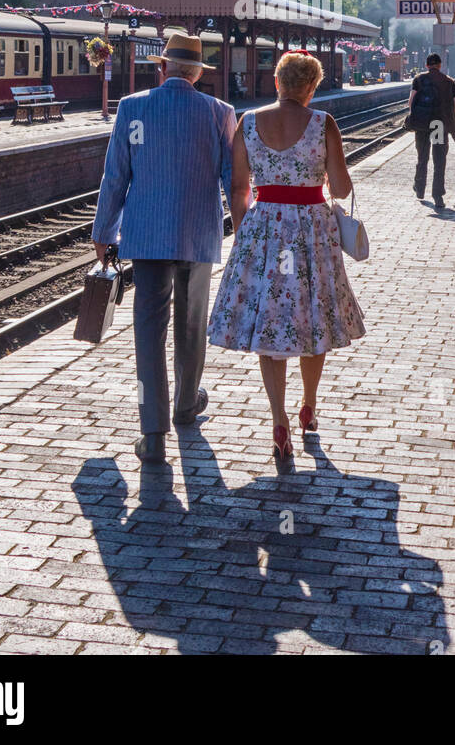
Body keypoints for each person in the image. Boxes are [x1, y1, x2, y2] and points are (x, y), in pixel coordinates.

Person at [207, 51, 365, 460]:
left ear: (277, 82)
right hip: (312, 229)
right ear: (311, 88)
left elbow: (239, 188)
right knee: (313, 312)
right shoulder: (322, 122)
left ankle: (278, 421)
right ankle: (308, 406)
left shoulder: (248, 122)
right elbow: (342, 188)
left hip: (264, 230)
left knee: (269, 320)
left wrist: (246, 235)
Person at [92, 31, 236, 466]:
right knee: (192, 322)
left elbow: (115, 177)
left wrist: (104, 232)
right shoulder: (220, 113)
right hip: (197, 235)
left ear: (162, 68)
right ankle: (187, 404)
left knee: (148, 331)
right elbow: (233, 181)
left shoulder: (132, 108)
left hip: (148, 236)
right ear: (197, 73)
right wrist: (247, 232)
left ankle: (152, 433)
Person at [409, 53, 455, 210]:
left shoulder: (418, 79)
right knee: (439, 160)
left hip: (422, 125)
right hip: (438, 124)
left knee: (422, 157)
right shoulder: (448, 81)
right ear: (439, 65)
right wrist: (447, 116)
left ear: (426, 65)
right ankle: (438, 195)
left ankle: (419, 189)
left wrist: (417, 116)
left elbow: (411, 102)